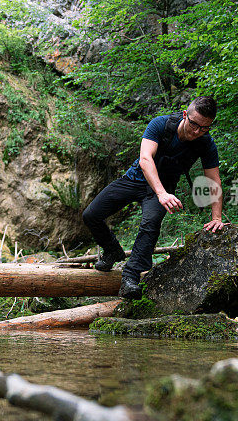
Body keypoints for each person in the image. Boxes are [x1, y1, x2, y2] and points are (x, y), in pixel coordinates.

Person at [82, 96, 225, 299]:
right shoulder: (161, 124)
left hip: (163, 188)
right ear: (185, 115)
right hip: (136, 179)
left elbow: (214, 180)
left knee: (150, 223)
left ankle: (130, 278)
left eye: (204, 128)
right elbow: (145, 158)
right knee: (91, 215)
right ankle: (112, 250)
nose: (197, 131)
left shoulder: (205, 143)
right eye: (194, 124)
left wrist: (216, 218)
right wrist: (162, 194)